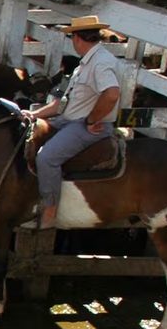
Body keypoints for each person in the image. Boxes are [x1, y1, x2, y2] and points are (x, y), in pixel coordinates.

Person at [23, 15, 124, 230]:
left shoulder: (101, 62)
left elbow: (112, 94)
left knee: (47, 158)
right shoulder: (86, 63)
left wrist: (92, 120)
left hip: (84, 125)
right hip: (69, 121)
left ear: (77, 38)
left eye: (72, 38)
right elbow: (64, 104)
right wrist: (34, 115)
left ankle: (49, 212)